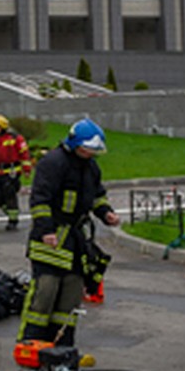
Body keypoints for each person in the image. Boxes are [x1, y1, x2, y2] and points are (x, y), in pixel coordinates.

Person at [18, 118, 120, 347]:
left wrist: (106, 213)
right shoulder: (53, 163)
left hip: (75, 243)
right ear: (76, 144)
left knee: (70, 297)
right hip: (51, 240)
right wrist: (46, 231)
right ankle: (30, 344)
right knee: (45, 294)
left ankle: (62, 347)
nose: (93, 153)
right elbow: (40, 200)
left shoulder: (91, 167)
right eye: (89, 149)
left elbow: (97, 197)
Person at [0, 115, 32, 231]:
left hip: (11, 172)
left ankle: (13, 220)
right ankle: (11, 212)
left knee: (9, 194)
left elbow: (24, 154)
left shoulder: (16, 138)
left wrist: (26, 170)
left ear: (3, 127)